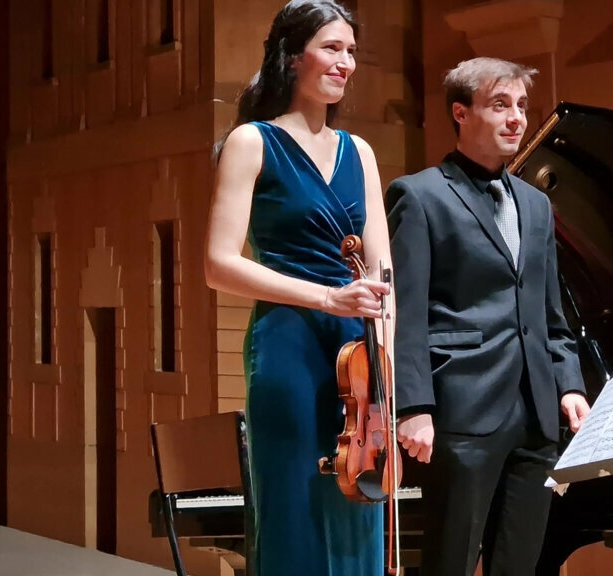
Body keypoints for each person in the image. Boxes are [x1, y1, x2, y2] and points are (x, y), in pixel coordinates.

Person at [204, 2, 392, 574]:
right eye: (331, 48)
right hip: (287, 342)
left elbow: (382, 275)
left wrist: (386, 370)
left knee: (358, 504)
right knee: (294, 505)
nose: (345, 63)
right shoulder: (251, 142)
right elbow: (218, 264)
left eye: (351, 51)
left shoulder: (360, 152)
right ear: (292, 57)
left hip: (359, 356)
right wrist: (328, 297)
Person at [386, 57, 591, 575]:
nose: (516, 118)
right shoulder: (420, 195)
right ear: (461, 112)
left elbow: (549, 311)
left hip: (536, 414)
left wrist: (569, 383)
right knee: (450, 563)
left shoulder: (536, 204)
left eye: (521, 105)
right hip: (463, 408)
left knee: (519, 565)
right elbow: (405, 310)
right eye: (500, 105)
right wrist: (413, 405)